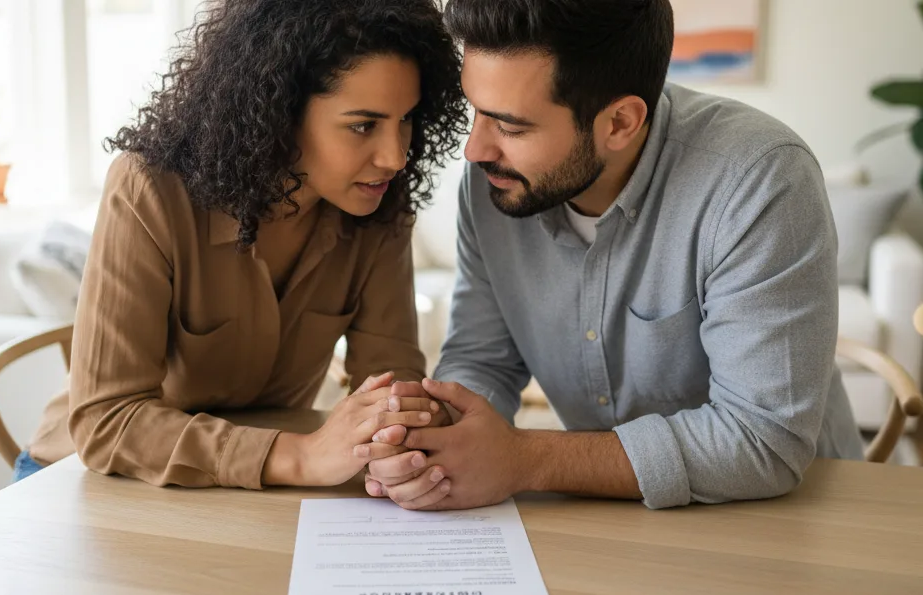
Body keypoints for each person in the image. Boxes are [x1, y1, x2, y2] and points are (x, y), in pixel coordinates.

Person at [366, 0, 864, 510]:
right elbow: (481, 360)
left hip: (789, 519)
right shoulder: (493, 183)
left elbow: (764, 443)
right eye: (476, 110)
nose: (475, 149)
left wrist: (524, 459)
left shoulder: (758, 181)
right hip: (611, 519)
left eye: (511, 127)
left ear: (621, 122)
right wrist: (436, 441)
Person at [13, 0, 468, 489]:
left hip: (248, 491)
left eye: (407, 119)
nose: (396, 156)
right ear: (279, 108)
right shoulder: (150, 190)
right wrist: (299, 457)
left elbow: (389, 379)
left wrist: (395, 441)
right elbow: (106, 420)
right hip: (80, 480)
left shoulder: (380, 209)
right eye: (363, 126)